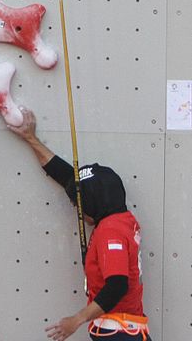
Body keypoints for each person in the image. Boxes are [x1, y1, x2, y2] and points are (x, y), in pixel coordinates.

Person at [8, 108, 151, 341]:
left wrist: (76, 320)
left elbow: (117, 285)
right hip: (125, 330)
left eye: (79, 204)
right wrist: (31, 139)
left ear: (94, 202)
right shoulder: (121, 217)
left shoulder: (111, 232)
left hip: (119, 334)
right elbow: (68, 178)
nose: (78, 209)